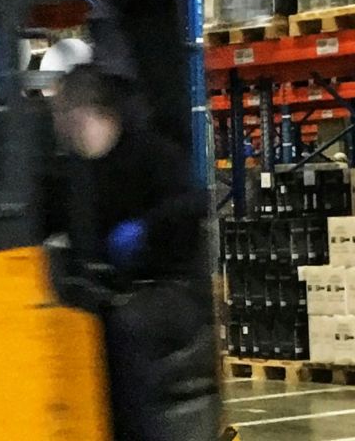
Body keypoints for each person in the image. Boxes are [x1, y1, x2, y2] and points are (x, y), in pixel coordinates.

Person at [46, 65, 209, 441]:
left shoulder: (152, 152)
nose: (54, 122)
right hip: (112, 289)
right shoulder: (75, 172)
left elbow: (193, 203)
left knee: (123, 333)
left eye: (59, 111)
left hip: (173, 288)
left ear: (82, 111)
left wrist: (148, 228)